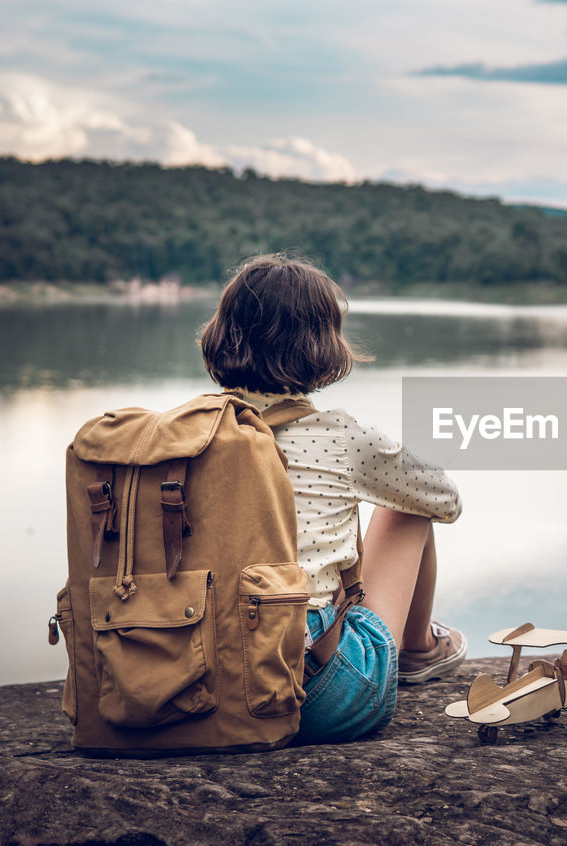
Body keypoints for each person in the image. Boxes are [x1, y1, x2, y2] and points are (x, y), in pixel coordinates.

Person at [198, 252, 465, 743]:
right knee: (406, 509)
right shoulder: (342, 435)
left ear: (221, 334)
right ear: (323, 345)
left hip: (190, 687)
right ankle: (419, 650)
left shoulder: (186, 435)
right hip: (313, 698)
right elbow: (444, 500)